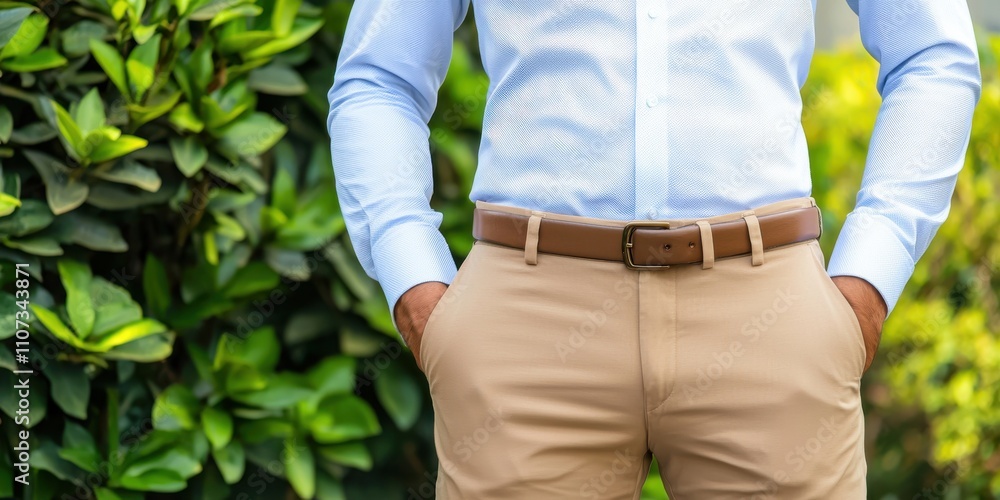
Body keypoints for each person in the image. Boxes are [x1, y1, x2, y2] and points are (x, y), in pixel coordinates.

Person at [327, 1, 980, 497]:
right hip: (524, 326)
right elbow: (378, 77)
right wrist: (414, 282)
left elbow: (932, 54)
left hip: (770, 319)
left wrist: (869, 277)